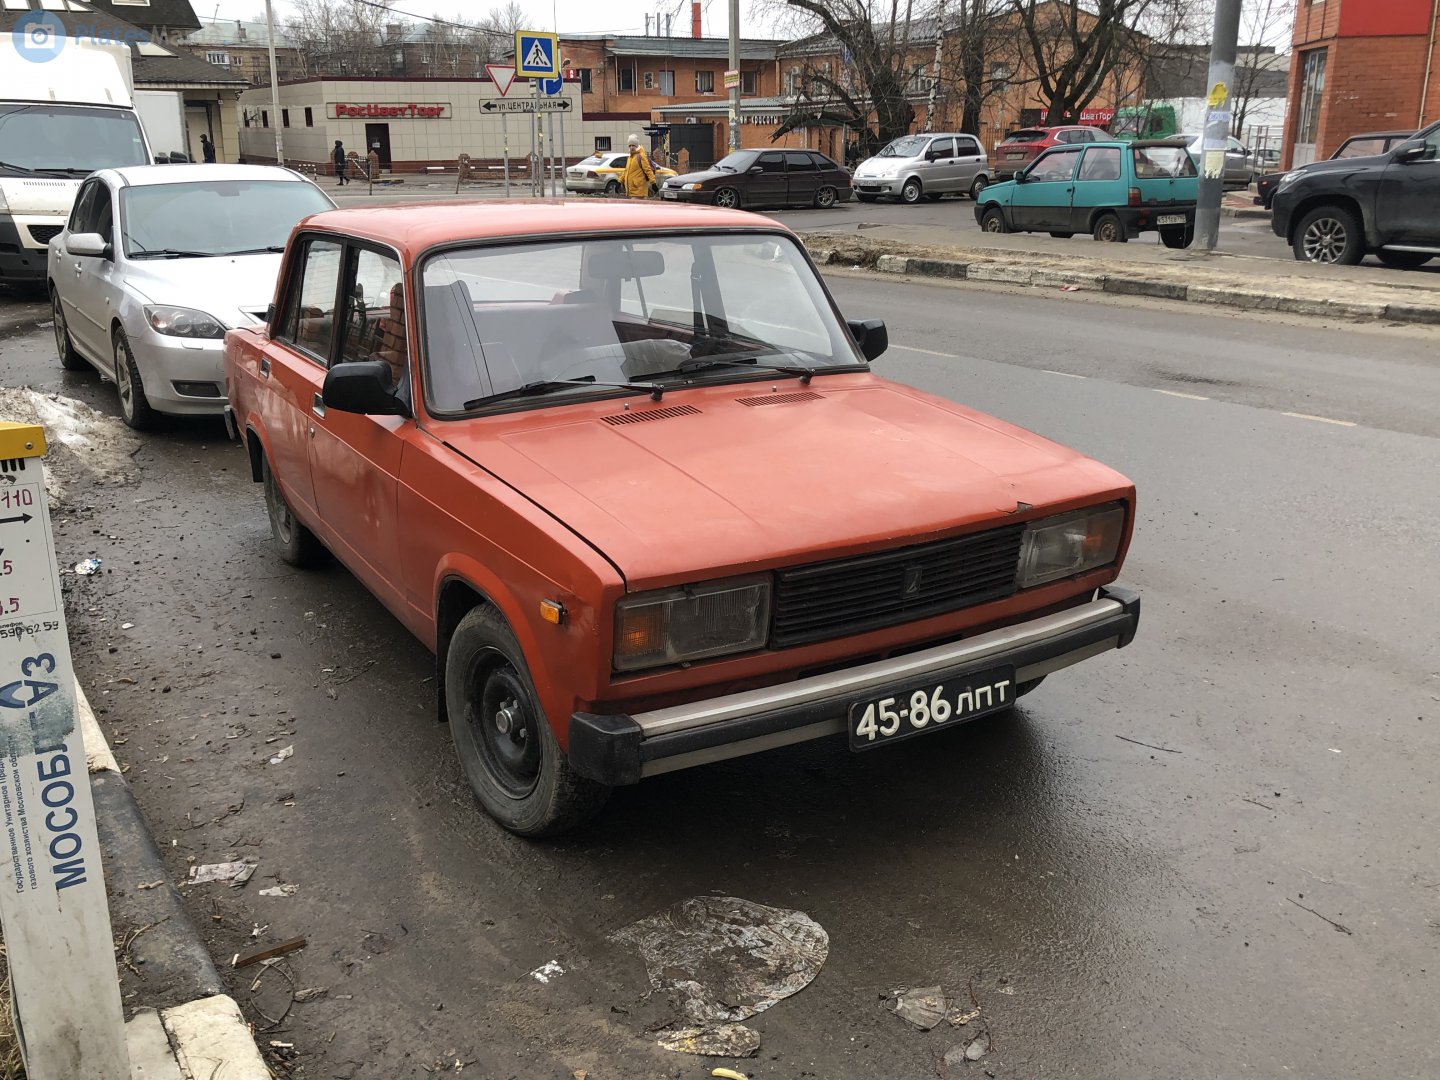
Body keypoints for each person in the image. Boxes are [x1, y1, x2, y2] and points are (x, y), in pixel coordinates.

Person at [622, 134, 655, 199]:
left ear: (637, 146)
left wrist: (653, 182)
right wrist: (620, 181)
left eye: (633, 145)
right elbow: (626, 171)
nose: (631, 147)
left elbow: (647, 169)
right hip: (632, 191)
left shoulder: (641, 156)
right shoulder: (630, 157)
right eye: (630, 145)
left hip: (639, 191)